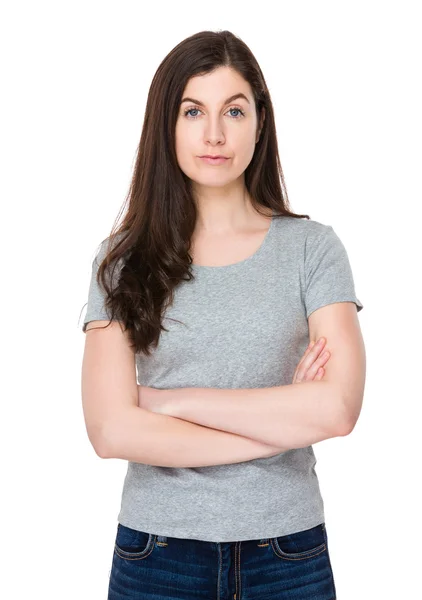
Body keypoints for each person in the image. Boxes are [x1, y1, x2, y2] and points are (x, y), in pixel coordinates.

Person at [81, 29, 365, 600]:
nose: (214, 133)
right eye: (193, 111)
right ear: (167, 124)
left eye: (234, 110)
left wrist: (170, 402)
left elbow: (335, 409)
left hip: (288, 553)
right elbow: (112, 430)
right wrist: (278, 427)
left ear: (260, 121)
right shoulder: (123, 260)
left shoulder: (312, 249)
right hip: (157, 554)